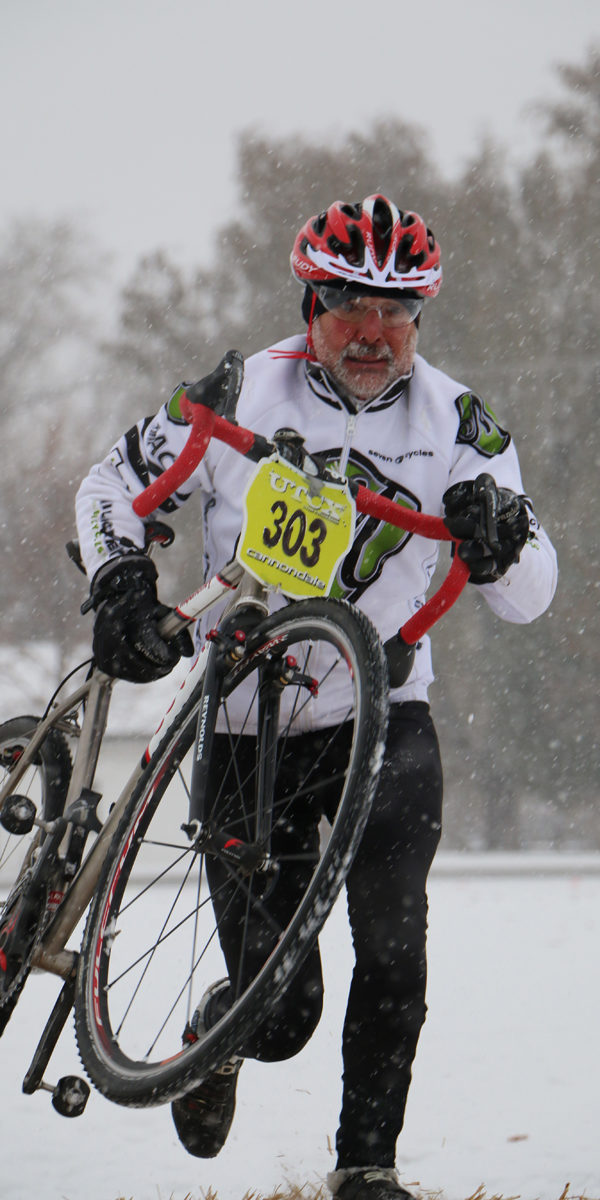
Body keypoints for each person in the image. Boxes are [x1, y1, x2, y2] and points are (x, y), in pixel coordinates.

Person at [75, 195, 557, 1200]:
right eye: (348, 306)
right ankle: (222, 1030)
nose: (372, 331)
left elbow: (530, 595)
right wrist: (121, 581)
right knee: (282, 1013)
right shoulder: (241, 391)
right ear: (310, 303)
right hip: (245, 721)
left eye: (396, 310)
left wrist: (503, 536)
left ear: (421, 313)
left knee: (394, 943)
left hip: (386, 716)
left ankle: (366, 1168)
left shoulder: (457, 421)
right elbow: (108, 486)